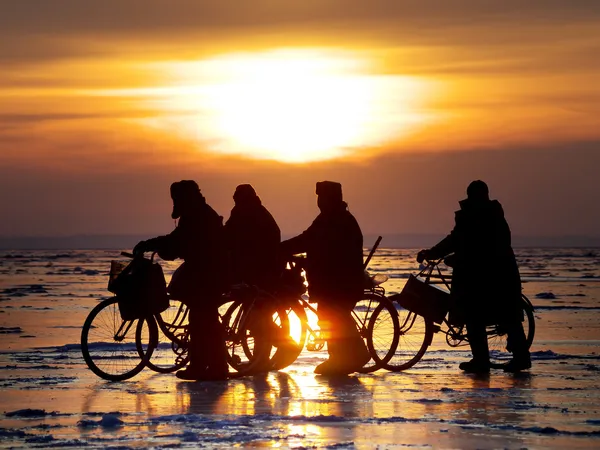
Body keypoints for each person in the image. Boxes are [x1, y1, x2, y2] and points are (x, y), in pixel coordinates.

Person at [417, 180, 531, 374]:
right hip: (489, 275)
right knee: (492, 315)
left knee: (487, 315)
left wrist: (454, 256)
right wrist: (435, 253)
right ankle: (488, 359)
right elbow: (458, 240)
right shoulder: (485, 215)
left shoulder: (483, 216)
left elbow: (474, 244)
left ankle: (494, 360)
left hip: (490, 276)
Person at [133, 180, 228, 381]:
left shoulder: (198, 215)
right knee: (202, 319)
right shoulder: (196, 212)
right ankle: (206, 365)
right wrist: (157, 245)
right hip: (205, 272)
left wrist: (155, 245)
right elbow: (178, 239)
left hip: (209, 274)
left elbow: (182, 241)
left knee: (204, 320)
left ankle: (211, 367)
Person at [280, 181, 370, 375]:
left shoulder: (338, 220)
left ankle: (357, 355)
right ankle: (338, 358)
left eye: (322, 197)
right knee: (329, 316)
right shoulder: (328, 218)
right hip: (332, 281)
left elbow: (312, 241)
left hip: (340, 282)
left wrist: (282, 248)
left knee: (335, 316)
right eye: (318, 197)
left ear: (331, 198)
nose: (319, 201)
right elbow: (310, 238)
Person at [224, 184, 282, 289]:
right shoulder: (242, 211)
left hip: (258, 264)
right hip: (252, 262)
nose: (236, 200)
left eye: (238, 198)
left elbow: (232, 235)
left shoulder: (252, 214)